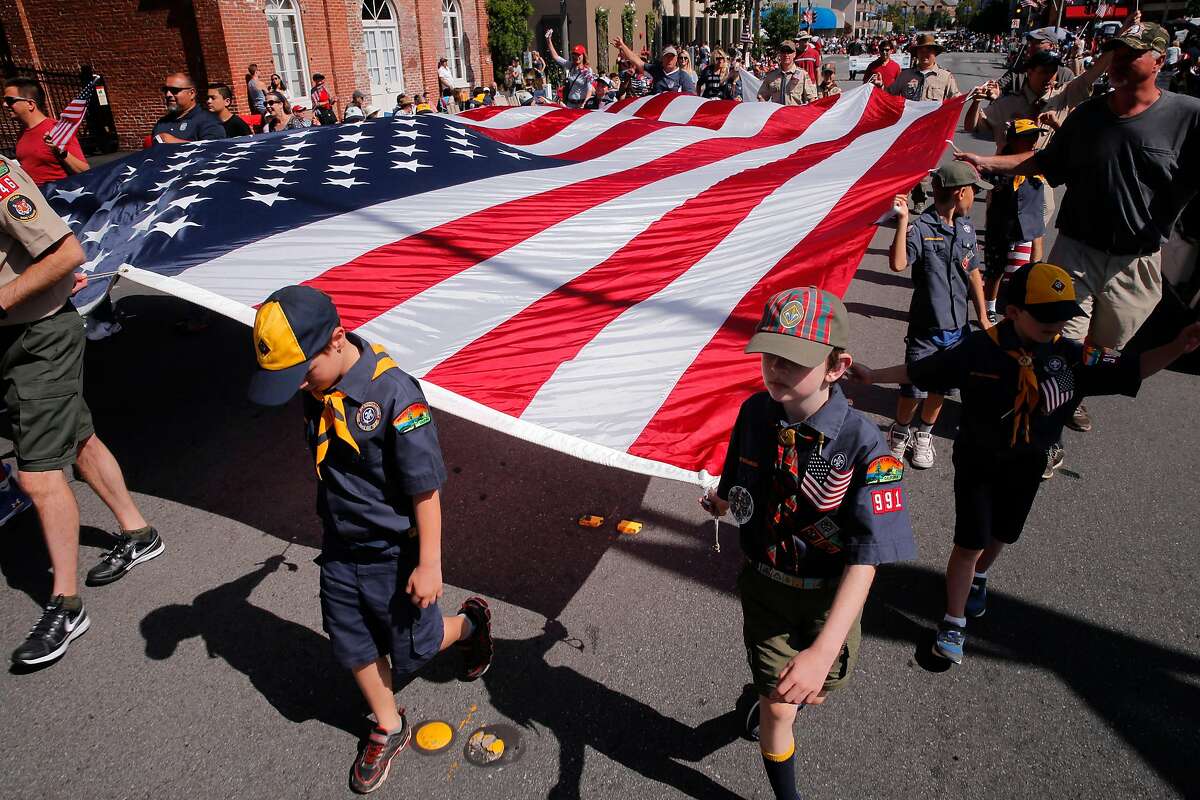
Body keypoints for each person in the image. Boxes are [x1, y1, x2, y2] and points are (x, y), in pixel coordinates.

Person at [850, 262, 1200, 665]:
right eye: (1046, 318)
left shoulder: (1071, 355)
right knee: (969, 542)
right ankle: (953, 620)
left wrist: (1177, 346)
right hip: (978, 464)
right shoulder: (978, 349)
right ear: (1014, 312)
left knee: (1004, 533)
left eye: (1062, 318)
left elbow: (1131, 369)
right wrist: (872, 373)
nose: (1056, 326)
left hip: (1027, 465)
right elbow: (924, 371)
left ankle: (980, 576)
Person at [246, 285, 495, 794]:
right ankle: (388, 723)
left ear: (337, 339)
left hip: (395, 550)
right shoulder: (318, 386)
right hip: (340, 543)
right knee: (348, 636)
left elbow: (424, 489)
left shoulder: (395, 395)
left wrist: (430, 564)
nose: (298, 388)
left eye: (301, 373)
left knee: (416, 645)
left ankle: (470, 625)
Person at [702, 287, 916, 800]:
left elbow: (868, 558)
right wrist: (724, 504)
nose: (775, 368)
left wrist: (824, 649)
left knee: (818, 683)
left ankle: (779, 694)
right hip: (766, 586)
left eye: (794, 360)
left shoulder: (865, 446)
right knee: (780, 703)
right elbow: (740, 479)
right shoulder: (755, 413)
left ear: (837, 366)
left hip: (827, 595)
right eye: (769, 355)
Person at [955, 22, 1200, 439]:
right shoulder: (1090, 115)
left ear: (1160, 61)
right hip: (1076, 254)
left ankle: (1072, 395)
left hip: (1136, 264)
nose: (1119, 60)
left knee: (1105, 350)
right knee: (1061, 346)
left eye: (1132, 53)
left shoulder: (1188, 116)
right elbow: (1046, 164)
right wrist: (988, 163)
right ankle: (1042, 427)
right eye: (1116, 52)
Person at [1, 157, 161, 667]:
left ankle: (65, 606)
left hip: (36, 338)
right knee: (79, 439)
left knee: (37, 475)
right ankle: (139, 533)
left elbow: (65, 253)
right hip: (15, 336)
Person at [886, 162, 990, 470]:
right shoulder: (922, 228)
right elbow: (898, 263)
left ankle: (924, 434)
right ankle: (900, 431)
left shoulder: (967, 228)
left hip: (957, 329)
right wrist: (903, 221)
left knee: (941, 388)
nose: (975, 198)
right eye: (973, 191)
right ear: (960, 193)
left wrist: (983, 316)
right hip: (926, 329)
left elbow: (973, 274)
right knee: (913, 388)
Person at [981, 119, 1046, 326]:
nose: (1034, 140)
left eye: (1036, 135)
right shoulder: (999, 165)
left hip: (1025, 230)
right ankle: (989, 307)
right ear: (1014, 140)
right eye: (1029, 137)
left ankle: (1013, 314)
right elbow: (981, 183)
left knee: (1021, 276)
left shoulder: (1040, 162)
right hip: (1000, 229)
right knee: (994, 271)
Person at [2, 77, 88, 185]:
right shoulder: (22, 133)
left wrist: (62, 153)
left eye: (10, 100)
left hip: (59, 197)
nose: (5, 105)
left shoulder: (57, 129)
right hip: (37, 199)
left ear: (30, 104)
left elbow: (85, 171)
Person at [882, 33, 959, 100]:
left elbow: (957, 101)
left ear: (935, 53)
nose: (924, 54)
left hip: (933, 117)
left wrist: (969, 97)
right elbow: (889, 95)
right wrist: (880, 86)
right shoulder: (905, 75)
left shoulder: (946, 77)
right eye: (921, 51)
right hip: (911, 116)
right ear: (917, 54)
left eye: (928, 51)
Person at [152, 72, 224, 143]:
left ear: (192, 93)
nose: (168, 94)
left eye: (174, 90)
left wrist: (175, 143)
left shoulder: (208, 120)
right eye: (165, 90)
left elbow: (214, 149)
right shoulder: (162, 123)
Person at [612, 39, 697, 94]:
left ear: (676, 59)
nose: (669, 60)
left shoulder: (683, 76)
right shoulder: (656, 70)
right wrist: (622, 46)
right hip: (656, 112)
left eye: (672, 57)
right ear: (662, 59)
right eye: (667, 57)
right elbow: (637, 61)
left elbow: (691, 97)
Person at [757, 41, 817, 106]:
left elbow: (811, 98)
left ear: (794, 54)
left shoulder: (802, 75)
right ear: (779, 54)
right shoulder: (771, 76)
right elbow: (762, 96)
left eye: (789, 52)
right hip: (777, 114)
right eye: (783, 51)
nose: (786, 55)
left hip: (795, 114)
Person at [546, 32, 595, 109]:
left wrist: (585, 103)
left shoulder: (587, 70)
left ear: (583, 56)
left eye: (578, 54)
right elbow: (556, 57)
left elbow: (589, 88)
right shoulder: (571, 65)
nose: (576, 56)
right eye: (574, 54)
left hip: (581, 104)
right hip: (569, 104)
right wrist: (548, 40)